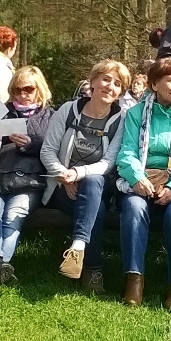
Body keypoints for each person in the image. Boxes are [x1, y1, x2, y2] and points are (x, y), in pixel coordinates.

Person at [116, 58, 171, 310]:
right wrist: (137, 179)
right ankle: (134, 280)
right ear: (154, 84)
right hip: (142, 182)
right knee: (134, 208)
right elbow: (127, 152)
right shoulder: (135, 114)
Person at [40, 60, 130, 294]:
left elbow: (108, 163)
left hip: (96, 185)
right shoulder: (68, 110)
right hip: (62, 188)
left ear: (121, 92)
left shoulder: (121, 119)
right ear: (93, 82)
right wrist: (63, 176)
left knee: (93, 183)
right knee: (95, 209)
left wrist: (77, 174)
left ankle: (78, 248)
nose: (110, 86)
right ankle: (92, 268)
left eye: (117, 84)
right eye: (106, 79)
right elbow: (47, 150)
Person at [0, 66, 55, 297]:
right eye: (17, 90)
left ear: (39, 89)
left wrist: (30, 144)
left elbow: (54, 151)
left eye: (28, 89)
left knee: (13, 217)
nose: (22, 94)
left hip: (30, 179)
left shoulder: (51, 115)